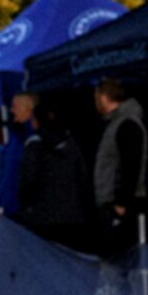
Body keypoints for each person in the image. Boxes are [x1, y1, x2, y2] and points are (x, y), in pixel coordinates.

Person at [18, 105, 95, 252]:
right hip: (72, 215)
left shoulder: (34, 144)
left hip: (42, 218)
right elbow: (82, 174)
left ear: (36, 121)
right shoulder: (71, 142)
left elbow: (27, 179)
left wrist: (26, 206)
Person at [93, 79, 148, 255]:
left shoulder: (127, 124)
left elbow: (131, 164)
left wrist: (122, 201)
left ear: (103, 98)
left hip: (119, 205)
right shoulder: (116, 124)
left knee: (120, 259)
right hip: (112, 202)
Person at [0, 94, 35, 218]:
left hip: (24, 210)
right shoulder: (15, 135)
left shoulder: (33, 138)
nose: (11, 111)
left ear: (27, 109)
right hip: (9, 208)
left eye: (15, 107)